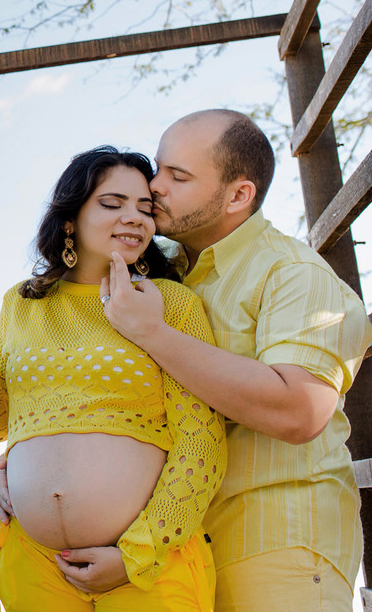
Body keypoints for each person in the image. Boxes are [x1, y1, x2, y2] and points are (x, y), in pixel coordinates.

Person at [89, 109, 371, 611]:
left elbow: (299, 411)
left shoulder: (294, 275)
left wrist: (153, 333)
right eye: (159, 168)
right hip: (176, 551)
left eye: (178, 176)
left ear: (239, 195)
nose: (155, 186)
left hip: (277, 541)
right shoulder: (160, 277)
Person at [0, 145, 227, 612]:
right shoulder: (22, 302)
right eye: (113, 204)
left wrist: (137, 553)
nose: (135, 218)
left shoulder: (170, 303)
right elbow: (2, 420)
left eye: (145, 208)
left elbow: (201, 442)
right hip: (35, 560)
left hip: (146, 567)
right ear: (70, 220)